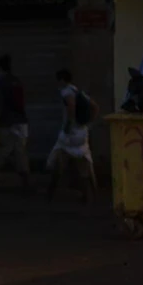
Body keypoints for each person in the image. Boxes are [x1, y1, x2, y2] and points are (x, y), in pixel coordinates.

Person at [47, 69, 98, 204]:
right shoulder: (78, 92)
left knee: (58, 162)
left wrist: (69, 126)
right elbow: (95, 107)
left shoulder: (66, 91)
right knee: (83, 166)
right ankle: (88, 196)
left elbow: (71, 106)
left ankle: (50, 195)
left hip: (70, 135)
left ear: (62, 80)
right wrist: (88, 123)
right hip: (82, 132)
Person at [0, 54, 31, 193]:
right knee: (20, 152)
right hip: (21, 123)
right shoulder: (17, 81)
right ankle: (26, 182)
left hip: (4, 123)